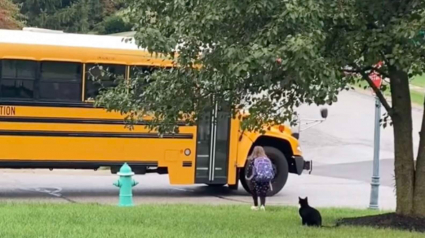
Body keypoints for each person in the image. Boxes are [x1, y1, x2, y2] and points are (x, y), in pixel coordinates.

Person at [245, 146, 273, 211]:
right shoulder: (267, 159)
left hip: (256, 179)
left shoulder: (252, 160)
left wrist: (247, 177)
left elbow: (248, 171)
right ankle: (263, 206)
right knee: (263, 192)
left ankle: (255, 205)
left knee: (254, 191)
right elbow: (272, 169)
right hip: (265, 179)